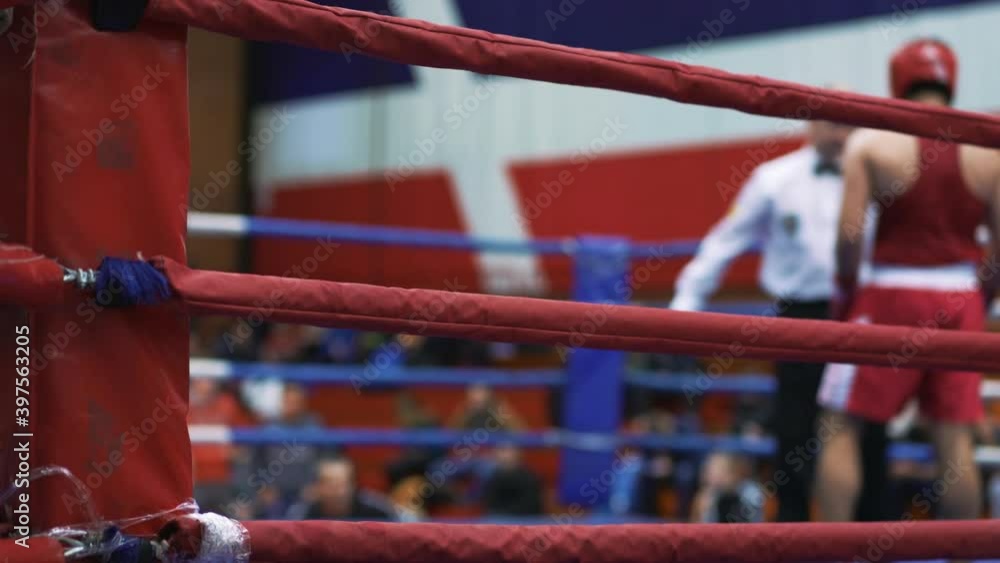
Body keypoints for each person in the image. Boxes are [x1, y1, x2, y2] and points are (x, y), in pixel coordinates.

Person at [670, 112, 889, 522]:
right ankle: (793, 534)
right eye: (833, 122)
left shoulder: (878, 177)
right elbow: (726, 238)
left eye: (849, 123)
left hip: (863, 314)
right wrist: (687, 299)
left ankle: (871, 537)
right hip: (798, 318)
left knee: (868, 429)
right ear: (811, 124)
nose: (842, 132)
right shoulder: (774, 178)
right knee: (794, 431)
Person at [816, 38, 1000, 522]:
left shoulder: (873, 142)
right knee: (954, 435)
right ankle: (964, 557)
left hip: (889, 295)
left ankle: (834, 553)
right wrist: (979, 298)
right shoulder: (989, 147)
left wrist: (847, 291)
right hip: (961, 299)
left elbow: (848, 236)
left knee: (840, 426)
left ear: (897, 80)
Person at [287, 457, 398, 521]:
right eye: (329, 483)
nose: (336, 490)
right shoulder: (302, 514)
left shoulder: (379, 510)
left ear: (353, 485)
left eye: (342, 483)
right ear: (317, 487)